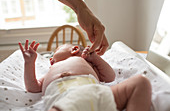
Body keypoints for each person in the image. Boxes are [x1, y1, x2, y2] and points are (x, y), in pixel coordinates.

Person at [18, 40, 152, 111]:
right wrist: (29, 64)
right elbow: (33, 87)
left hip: (95, 94)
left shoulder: (86, 62)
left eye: (54, 54)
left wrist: (95, 58)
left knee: (141, 82)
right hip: (64, 101)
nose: (50, 59)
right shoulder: (50, 71)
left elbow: (109, 77)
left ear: (74, 49)